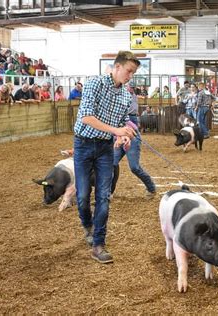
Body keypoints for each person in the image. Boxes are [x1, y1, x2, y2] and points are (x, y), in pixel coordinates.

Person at [73, 50, 137, 264]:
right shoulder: (94, 84)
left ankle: (99, 244)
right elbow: (86, 117)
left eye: (133, 73)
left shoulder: (126, 96)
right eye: (129, 71)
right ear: (117, 67)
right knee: (82, 196)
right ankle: (88, 226)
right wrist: (116, 131)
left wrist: (124, 134)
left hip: (105, 149)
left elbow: (123, 122)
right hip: (83, 144)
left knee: (103, 196)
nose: (130, 76)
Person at [113, 84, 156, 201]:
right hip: (118, 138)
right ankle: (107, 193)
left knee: (134, 167)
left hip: (130, 137)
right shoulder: (113, 103)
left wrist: (134, 132)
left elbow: (127, 123)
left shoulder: (128, 99)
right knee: (111, 164)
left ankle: (151, 188)